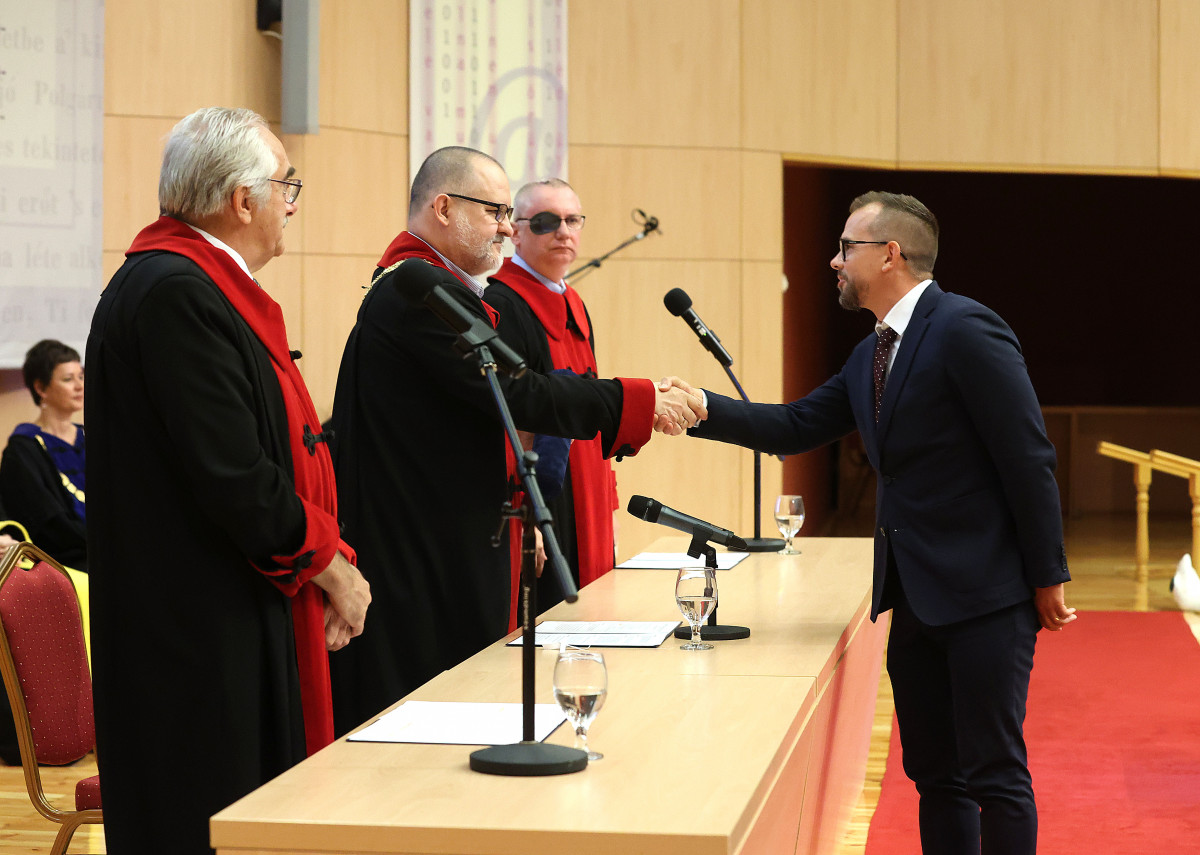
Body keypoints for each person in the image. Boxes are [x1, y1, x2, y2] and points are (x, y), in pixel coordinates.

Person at [686, 191, 1075, 855]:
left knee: (994, 773)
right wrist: (700, 405)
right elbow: (795, 426)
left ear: (890, 253)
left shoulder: (965, 328)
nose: (833, 261)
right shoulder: (872, 351)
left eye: (846, 247)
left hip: (986, 596)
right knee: (935, 775)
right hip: (914, 598)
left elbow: (1028, 456)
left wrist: (1047, 575)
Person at [327, 146, 703, 734]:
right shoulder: (417, 291)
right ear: (443, 208)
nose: (507, 227)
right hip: (423, 548)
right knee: (435, 710)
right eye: (496, 212)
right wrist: (635, 401)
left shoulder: (434, 286)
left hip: (446, 533)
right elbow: (518, 390)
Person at [85, 107, 371, 855]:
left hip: (221, 614)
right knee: (215, 821)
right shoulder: (177, 292)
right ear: (243, 201)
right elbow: (234, 474)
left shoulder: (190, 282)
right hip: (197, 634)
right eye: (287, 185)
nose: (293, 204)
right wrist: (331, 565)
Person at [485, 179, 617, 611]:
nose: (562, 231)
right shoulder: (502, 304)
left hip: (588, 491)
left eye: (572, 220)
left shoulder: (573, 301)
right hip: (547, 498)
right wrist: (526, 513)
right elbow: (508, 420)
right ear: (516, 232)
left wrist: (607, 499)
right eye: (545, 221)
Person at [0, 339, 88, 569]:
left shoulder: (92, 437)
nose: (79, 386)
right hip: (65, 563)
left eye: (81, 376)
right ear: (40, 388)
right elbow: (50, 525)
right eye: (68, 379)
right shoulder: (24, 449)